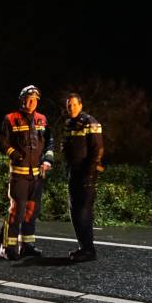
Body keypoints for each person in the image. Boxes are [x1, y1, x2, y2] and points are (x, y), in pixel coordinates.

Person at [0, 85, 54, 260]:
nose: (31, 103)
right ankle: (7, 247)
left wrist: (47, 160)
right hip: (19, 174)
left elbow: (50, 142)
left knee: (32, 211)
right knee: (17, 211)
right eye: (28, 100)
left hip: (37, 175)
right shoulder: (11, 119)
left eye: (35, 100)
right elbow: (1, 142)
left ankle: (26, 245)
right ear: (22, 100)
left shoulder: (42, 120)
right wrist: (14, 154)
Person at [62, 93, 104, 262]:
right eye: (69, 105)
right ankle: (83, 247)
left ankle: (88, 250)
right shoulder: (69, 124)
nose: (71, 108)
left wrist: (90, 173)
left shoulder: (90, 122)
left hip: (86, 174)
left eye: (74, 104)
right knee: (75, 211)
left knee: (83, 211)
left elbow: (97, 149)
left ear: (80, 105)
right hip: (73, 172)